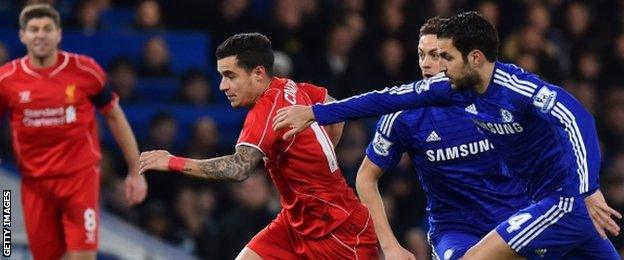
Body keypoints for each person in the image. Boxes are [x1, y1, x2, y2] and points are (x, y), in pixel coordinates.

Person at [273, 12, 621, 259]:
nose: (430, 64)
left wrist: (587, 187)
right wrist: (317, 113)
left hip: (532, 208)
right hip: (458, 228)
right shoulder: (428, 100)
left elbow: (574, 121)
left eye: (441, 56)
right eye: (423, 54)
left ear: (472, 57)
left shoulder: (514, 90)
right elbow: (381, 102)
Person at [138, 32, 378, 259]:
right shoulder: (289, 86)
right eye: (222, 76)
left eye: (230, 76)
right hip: (295, 222)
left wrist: (171, 161)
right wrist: (322, 155)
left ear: (258, 74)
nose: (222, 86)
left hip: (339, 231)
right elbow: (335, 109)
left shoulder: (265, 110)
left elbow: (238, 168)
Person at [356, 17, 529, 260]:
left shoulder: (501, 98)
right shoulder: (404, 114)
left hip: (514, 218)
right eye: (421, 54)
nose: (425, 64)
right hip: (456, 230)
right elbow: (365, 177)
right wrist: (389, 245)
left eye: (435, 55)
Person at [0, 4, 147, 260]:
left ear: (59, 33)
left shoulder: (84, 71)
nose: (40, 35)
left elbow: (114, 115)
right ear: (22, 35)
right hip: (35, 183)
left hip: (79, 178)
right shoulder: (7, 79)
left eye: (47, 29)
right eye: (33, 29)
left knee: (82, 256)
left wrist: (135, 171)